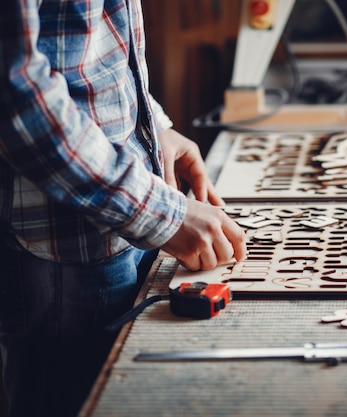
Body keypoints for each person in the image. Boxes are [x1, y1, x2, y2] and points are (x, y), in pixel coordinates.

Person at [0, 1, 247, 416]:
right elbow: (15, 98)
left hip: (124, 210)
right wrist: (165, 215)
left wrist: (155, 128)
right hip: (64, 253)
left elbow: (87, 52)